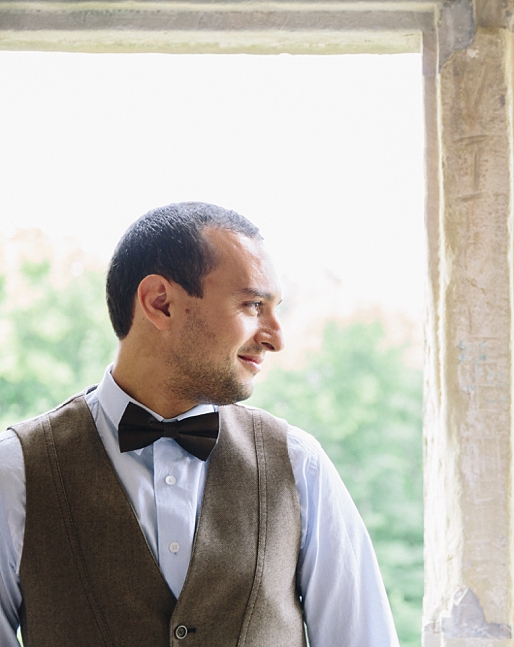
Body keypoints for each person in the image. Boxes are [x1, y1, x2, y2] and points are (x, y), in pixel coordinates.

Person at [0, 202, 401, 646]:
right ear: (161, 303)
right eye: (252, 305)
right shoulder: (15, 472)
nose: (276, 337)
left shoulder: (299, 465)